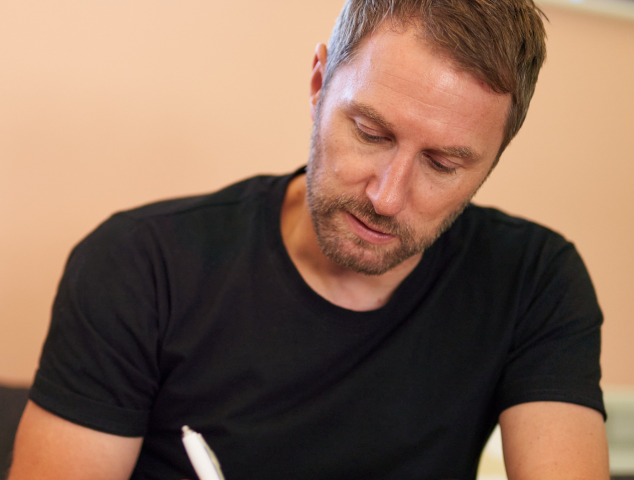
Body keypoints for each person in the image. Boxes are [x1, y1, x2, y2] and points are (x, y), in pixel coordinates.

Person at [8, 1, 610, 479]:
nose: (387, 197)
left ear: (494, 158)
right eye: (370, 132)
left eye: (443, 165)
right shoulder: (141, 264)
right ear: (320, 82)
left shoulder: (534, 280)